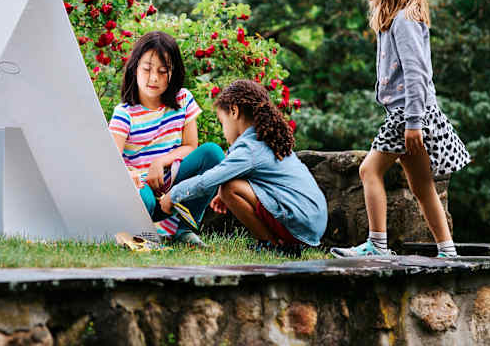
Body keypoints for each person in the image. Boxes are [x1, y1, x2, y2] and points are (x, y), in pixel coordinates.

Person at [330, 0, 470, 259]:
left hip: (408, 112)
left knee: (369, 171)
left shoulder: (405, 20)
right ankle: (448, 251)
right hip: (408, 112)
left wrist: (414, 123)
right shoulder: (395, 19)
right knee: (421, 186)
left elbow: (416, 75)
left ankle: (377, 246)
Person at [158, 79, 328, 256]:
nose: (224, 132)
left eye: (222, 123)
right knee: (228, 187)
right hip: (312, 220)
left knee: (229, 188)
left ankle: (271, 245)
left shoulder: (249, 149)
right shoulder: (265, 141)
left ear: (234, 111)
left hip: (300, 221)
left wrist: (174, 194)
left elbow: (206, 181)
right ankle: (285, 245)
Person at [109, 31, 224, 246]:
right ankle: (143, 234)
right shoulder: (124, 113)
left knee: (213, 154)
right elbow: (110, 161)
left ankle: (185, 230)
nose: (154, 78)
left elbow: (191, 146)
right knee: (141, 197)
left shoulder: (182, 99)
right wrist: (132, 175)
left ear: (173, 73)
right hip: (141, 191)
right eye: (147, 69)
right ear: (134, 67)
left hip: (174, 187)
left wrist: (160, 161)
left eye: (163, 71)